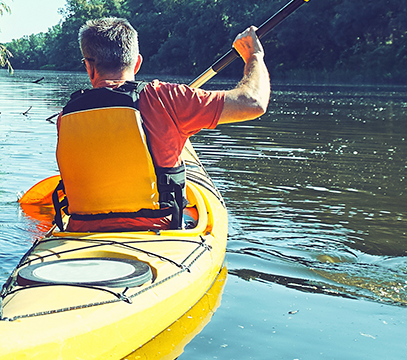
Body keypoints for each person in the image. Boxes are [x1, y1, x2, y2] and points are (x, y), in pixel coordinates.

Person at [54, 18, 270, 232]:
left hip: (80, 233)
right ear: (137, 62)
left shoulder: (66, 117)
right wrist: (254, 56)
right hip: (157, 233)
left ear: (89, 67)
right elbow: (253, 102)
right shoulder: (165, 98)